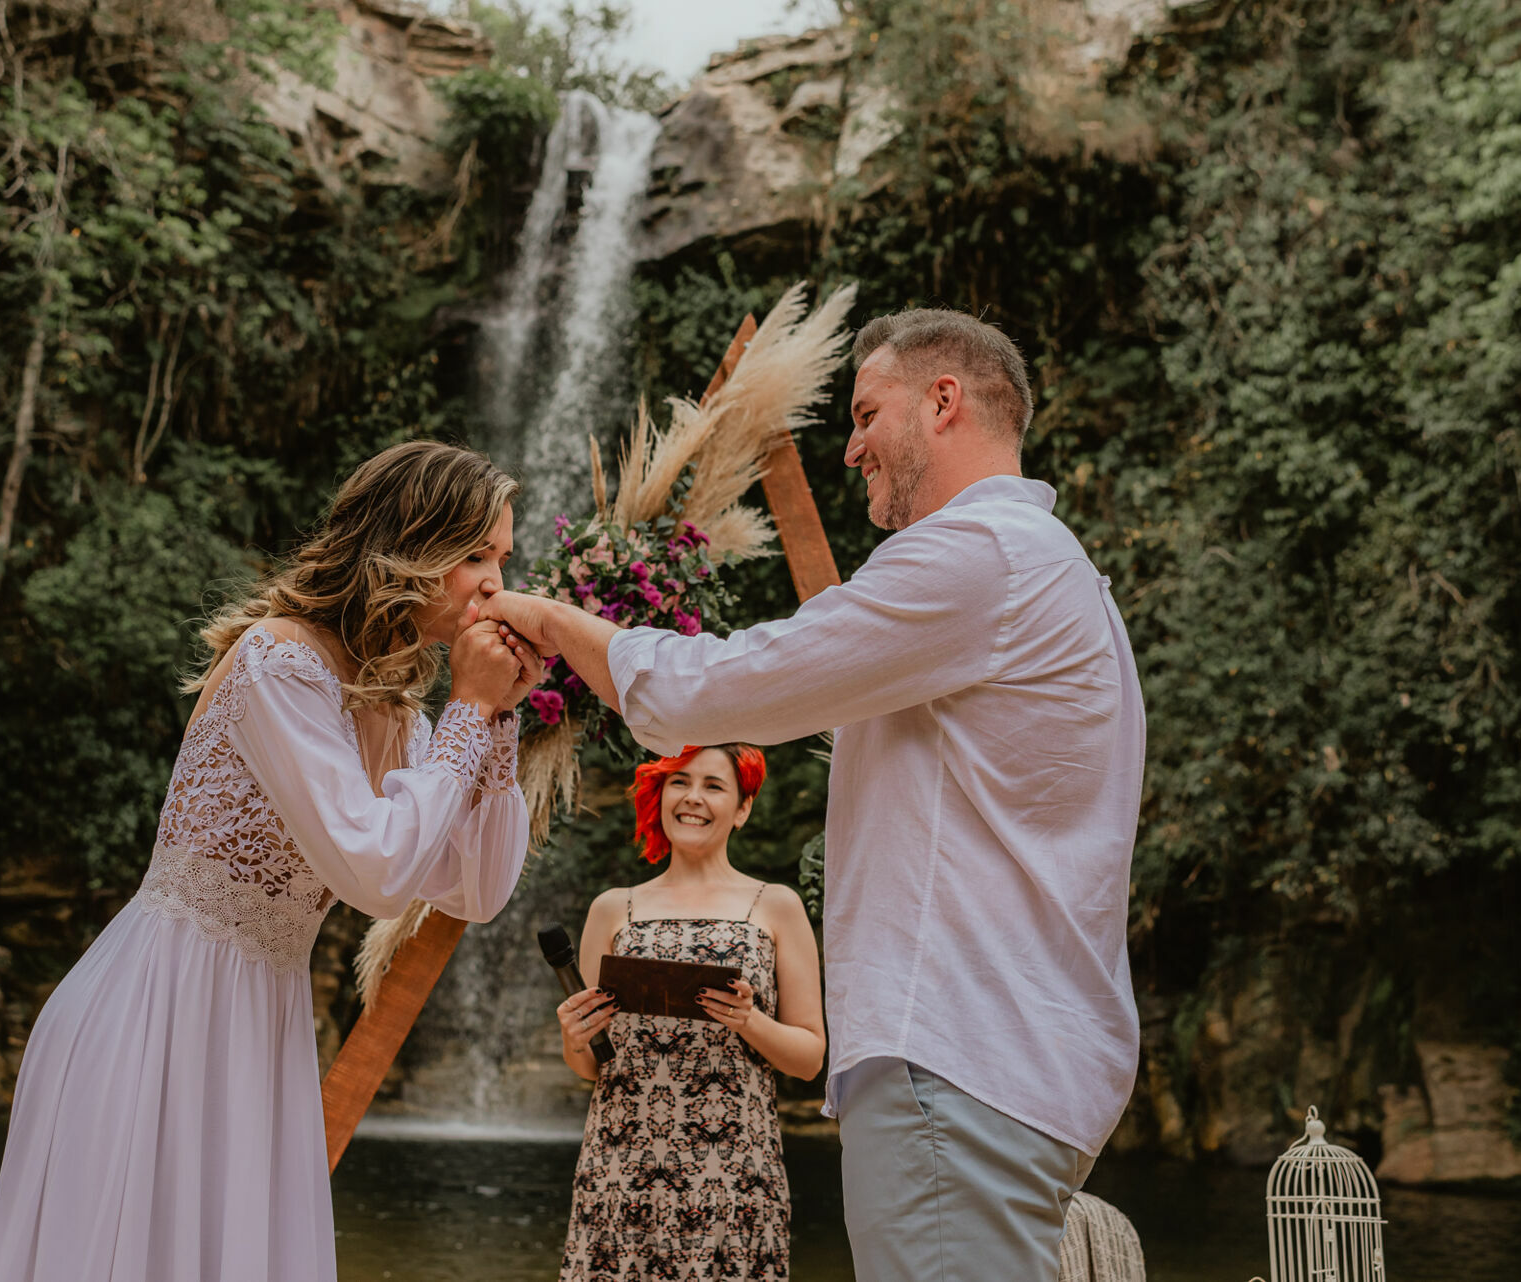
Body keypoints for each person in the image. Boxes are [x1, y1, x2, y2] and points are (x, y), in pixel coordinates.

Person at [483, 309, 1146, 1281]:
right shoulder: (1059, 572)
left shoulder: (977, 558)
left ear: (945, 400)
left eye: (869, 412)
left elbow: (714, 690)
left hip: (957, 1054)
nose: (852, 448)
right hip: (1013, 1055)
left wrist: (545, 617)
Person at [0, 441, 541, 1282]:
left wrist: (496, 727)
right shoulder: (280, 663)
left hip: (259, 1021)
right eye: (474, 555)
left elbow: (477, 888)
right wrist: (466, 707)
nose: (497, 581)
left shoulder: (397, 709)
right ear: (406, 547)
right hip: (162, 1013)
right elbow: (373, 872)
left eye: (500, 555)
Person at [554, 743, 825, 1282]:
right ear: (660, 794)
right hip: (620, 1170)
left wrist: (750, 1021)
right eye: (679, 781)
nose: (692, 798)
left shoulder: (775, 905)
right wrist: (573, 1036)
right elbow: (589, 1066)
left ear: (743, 808)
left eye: (714, 785)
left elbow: (810, 1058)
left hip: (734, 1177)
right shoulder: (613, 907)